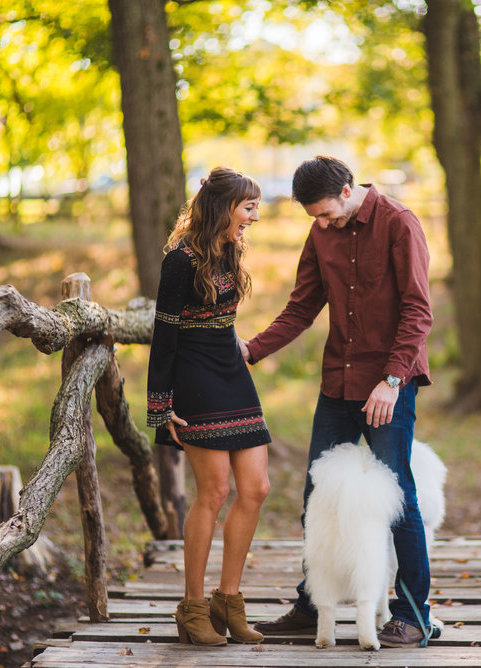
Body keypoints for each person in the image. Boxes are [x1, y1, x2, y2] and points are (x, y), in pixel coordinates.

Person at [240, 155, 434, 647]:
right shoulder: (321, 232)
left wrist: (392, 381)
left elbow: (417, 310)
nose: (323, 224)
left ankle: (413, 614)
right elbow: (303, 305)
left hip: (389, 385)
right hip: (337, 383)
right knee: (316, 498)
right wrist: (252, 349)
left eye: (327, 214)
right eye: (316, 218)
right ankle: (312, 603)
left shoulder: (399, 224)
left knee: (400, 499)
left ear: (348, 189)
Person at [146, 166, 271, 647]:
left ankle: (228, 600)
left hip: (231, 373)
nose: (254, 217)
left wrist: (237, 340)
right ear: (223, 208)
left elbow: (219, 314)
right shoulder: (180, 259)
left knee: (256, 487)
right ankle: (193, 607)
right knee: (213, 492)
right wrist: (161, 406)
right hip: (194, 381)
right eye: (248, 207)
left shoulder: (229, 248)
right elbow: (165, 335)